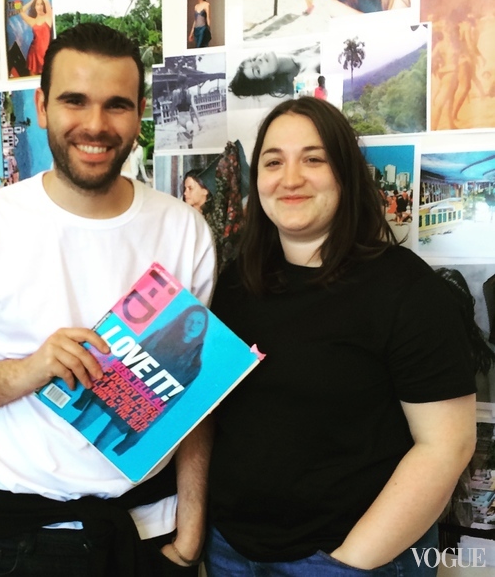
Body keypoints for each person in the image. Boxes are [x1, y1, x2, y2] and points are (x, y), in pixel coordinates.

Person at [0, 22, 215, 577]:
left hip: (151, 536)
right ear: (43, 106)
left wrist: (189, 538)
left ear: (140, 114)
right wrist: (31, 370)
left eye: (117, 105)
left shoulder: (184, 230)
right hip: (20, 542)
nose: (95, 125)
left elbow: (198, 396)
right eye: (75, 101)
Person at [204, 96, 476, 576]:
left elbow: (446, 446)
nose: (290, 178)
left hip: (348, 558)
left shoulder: (407, 290)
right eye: (273, 162)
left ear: (345, 174)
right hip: (232, 551)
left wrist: (348, 563)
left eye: (314, 159)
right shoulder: (234, 284)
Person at [72, 304, 209, 455]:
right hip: (118, 389)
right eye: (190, 320)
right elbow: (126, 360)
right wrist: (92, 391)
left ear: (203, 328)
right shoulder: (160, 336)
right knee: (79, 424)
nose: (193, 325)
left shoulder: (194, 365)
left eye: (199, 323)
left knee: (101, 443)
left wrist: (136, 436)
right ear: (182, 321)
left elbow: (169, 403)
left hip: (138, 408)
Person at [229, 50, 318, 99]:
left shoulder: (298, 50)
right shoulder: (303, 83)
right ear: (268, 79)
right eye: (257, 70)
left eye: (253, 59)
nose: (259, 60)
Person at [20, 0, 53, 76]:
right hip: (33, 55)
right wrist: (32, 0)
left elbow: (46, 1)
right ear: (34, 6)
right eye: (37, 4)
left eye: (41, 4)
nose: (39, 6)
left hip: (46, 55)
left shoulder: (48, 17)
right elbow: (21, 11)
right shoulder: (33, 21)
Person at [171, 75, 201, 148]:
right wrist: (199, 123)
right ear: (186, 83)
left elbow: (173, 107)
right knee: (190, 143)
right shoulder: (189, 93)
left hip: (180, 120)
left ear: (178, 83)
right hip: (188, 120)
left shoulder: (175, 93)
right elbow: (194, 108)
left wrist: (172, 115)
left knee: (181, 145)